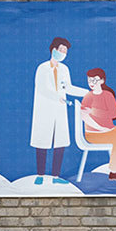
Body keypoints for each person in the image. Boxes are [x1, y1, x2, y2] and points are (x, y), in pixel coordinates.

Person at [30, 37, 88, 185]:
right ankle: (40, 175)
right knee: (42, 142)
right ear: (53, 49)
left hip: (59, 110)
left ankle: (56, 177)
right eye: (61, 50)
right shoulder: (42, 68)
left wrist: (87, 93)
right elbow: (43, 88)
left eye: (65, 51)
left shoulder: (64, 69)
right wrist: (58, 97)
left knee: (60, 143)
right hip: (45, 109)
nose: (63, 53)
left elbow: (68, 88)